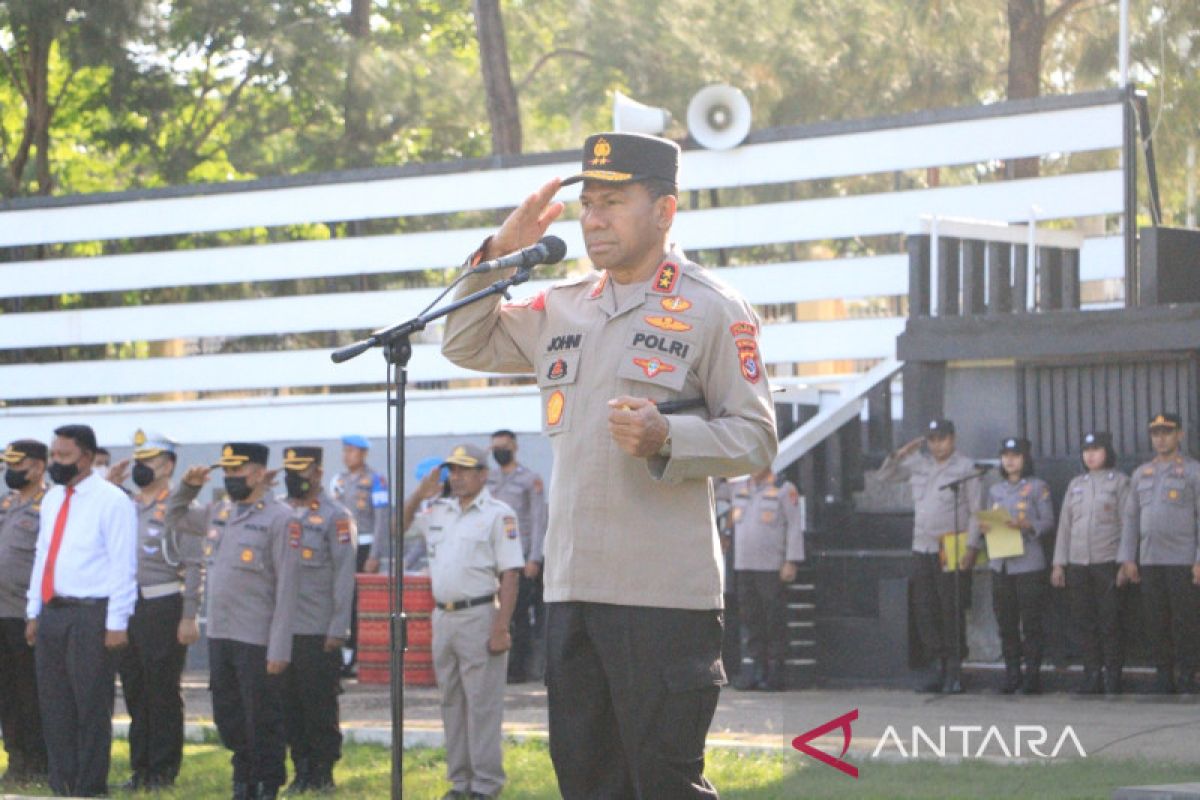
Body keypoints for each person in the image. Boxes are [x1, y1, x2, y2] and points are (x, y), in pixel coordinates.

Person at [441, 131, 777, 798]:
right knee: (588, 784)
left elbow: (758, 439)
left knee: (665, 786)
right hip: (572, 592)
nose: (593, 219)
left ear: (664, 210)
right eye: (588, 203)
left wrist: (668, 436)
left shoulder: (714, 307)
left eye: (612, 202)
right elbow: (462, 339)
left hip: (663, 599)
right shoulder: (562, 305)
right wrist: (498, 252)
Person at [170, 443, 300, 799]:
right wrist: (188, 488)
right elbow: (173, 516)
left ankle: (266, 783)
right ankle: (243, 778)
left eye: (237, 470)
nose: (230, 477)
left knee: (262, 718)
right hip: (222, 632)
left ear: (258, 473)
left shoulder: (280, 518)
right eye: (226, 471)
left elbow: (288, 589)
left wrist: (280, 647)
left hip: (258, 636)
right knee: (228, 714)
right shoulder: (219, 511)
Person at [402, 444, 522, 800]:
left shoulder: (499, 515)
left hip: (479, 614)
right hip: (443, 616)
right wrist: (417, 495)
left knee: (482, 705)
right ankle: (460, 782)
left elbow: (511, 574)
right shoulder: (438, 510)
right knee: (451, 702)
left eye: (464, 470)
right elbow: (398, 529)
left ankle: (485, 785)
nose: (456, 477)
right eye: (451, 470)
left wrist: (501, 627)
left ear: (483, 475)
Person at [24, 424, 137, 797]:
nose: (56, 462)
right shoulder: (54, 498)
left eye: (65, 456)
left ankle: (89, 787)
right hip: (53, 612)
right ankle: (63, 784)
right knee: (54, 704)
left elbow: (123, 565)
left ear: (87, 457)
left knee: (90, 704)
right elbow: (44, 554)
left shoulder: (112, 500)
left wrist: (117, 622)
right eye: (54, 455)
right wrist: (33, 610)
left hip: (92, 614)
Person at [105, 430, 204, 789]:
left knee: (161, 690)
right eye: (138, 461)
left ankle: (162, 770)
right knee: (134, 688)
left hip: (163, 605)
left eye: (149, 461)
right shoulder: (125, 503)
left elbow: (194, 564)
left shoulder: (181, 508)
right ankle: (140, 768)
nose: (141, 467)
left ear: (168, 465)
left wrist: (189, 614)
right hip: (126, 606)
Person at [877, 419, 982, 694]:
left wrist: (972, 547)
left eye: (943, 438)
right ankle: (938, 667)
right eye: (932, 439)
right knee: (925, 610)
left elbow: (976, 512)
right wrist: (900, 455)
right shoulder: (918, 464)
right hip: (921, 547)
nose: (938, 444)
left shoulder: (966, 468)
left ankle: (954, 670)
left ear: (953, 439)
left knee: (951, 609)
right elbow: (884, 477)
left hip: (951, 547)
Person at [279, 447, 357, 794]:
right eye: (289, 469)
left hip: (317, 627)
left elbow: (343, 575)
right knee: (289, 705)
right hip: (282, 630)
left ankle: (322, 771)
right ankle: (301, 769)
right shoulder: (278, 511)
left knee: (319, 705)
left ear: (318, 472)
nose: (294, 476)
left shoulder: (335, 516)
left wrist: (338, 628)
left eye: (302, 469)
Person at [963, 437, 1054, 694]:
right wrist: (985, 528)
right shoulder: (995, 490)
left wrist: (1026, 524)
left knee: (1031, 623)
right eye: (1005, 455)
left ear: (1025, 459)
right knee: (1006, 622)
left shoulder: (1038, 487)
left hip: (1028, 563)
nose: (1010, 460)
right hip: (1001, 564)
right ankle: (1012, 674)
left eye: (1015, 455)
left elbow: (1048, 521)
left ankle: (1032, 677)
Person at [1118, 413, 1200, 694]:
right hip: (1150, 561)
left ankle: (1188, 677)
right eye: (1156, 433)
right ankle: (1163, 678)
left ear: (1179, 435)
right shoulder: (1142, 473)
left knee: (1185, 622)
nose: (1161, 438)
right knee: (1156, 622)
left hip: (1183, 561)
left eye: (1167, 432)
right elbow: (1130, 518)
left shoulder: (1193, 471)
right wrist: (1128, 558)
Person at [1051, 431, 1130, 695]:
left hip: (1107, 562)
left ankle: (1113, 676)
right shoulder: (1075, 484)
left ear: (1107, 451)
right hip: (1078, 564)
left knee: (1110, 622)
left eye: (1096, 449)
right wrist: (1059, 563)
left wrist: (1124, 562)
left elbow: (1127, 526)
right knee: (1085, 622)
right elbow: (1065, 526)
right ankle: (1092, 675)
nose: (1091, 455)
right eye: (1086, 450)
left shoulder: (1119, 482)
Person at [0, 440, 49, 786]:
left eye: (18, 464)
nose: (10, 470)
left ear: (38, 467)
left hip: (26, 613)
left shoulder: (49, 505)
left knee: (30, 693)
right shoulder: (7, 504)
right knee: (7, 692)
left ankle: (38, 762)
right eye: (7, 464)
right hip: (1, 613)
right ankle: (16, 761)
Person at [729, 467, 804, 691]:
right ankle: (756, 670)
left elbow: (793, 526)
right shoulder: (738, 488)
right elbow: (712, 485)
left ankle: (776, 673)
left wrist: (791, 560)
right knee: (751, 618)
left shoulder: (784, 489)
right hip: (744, 565)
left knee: (774, 620)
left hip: (771, 567)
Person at [485, 429, 547, 683]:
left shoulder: (530, 479)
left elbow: (538, 519)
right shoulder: (488, 480)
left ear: (515, 447)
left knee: (518, 616)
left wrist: (535, 558)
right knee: (496, 615)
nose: (500, 451)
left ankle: (519, 669)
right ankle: (501, 665)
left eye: (504, 446)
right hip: (492, 559)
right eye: (495, 447)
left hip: (520, 558)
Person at [330, 434, 387, 675]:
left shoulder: (375, 480)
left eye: (352, 451)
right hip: (341, 547)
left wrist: (375, 554)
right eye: (345, 451)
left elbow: (382, 519)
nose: (347, 456)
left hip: (364, 546)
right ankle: (341, 654)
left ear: (363, 454)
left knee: (359, 603)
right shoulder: (338, 480)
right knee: (340, 599)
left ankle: (356, 654)